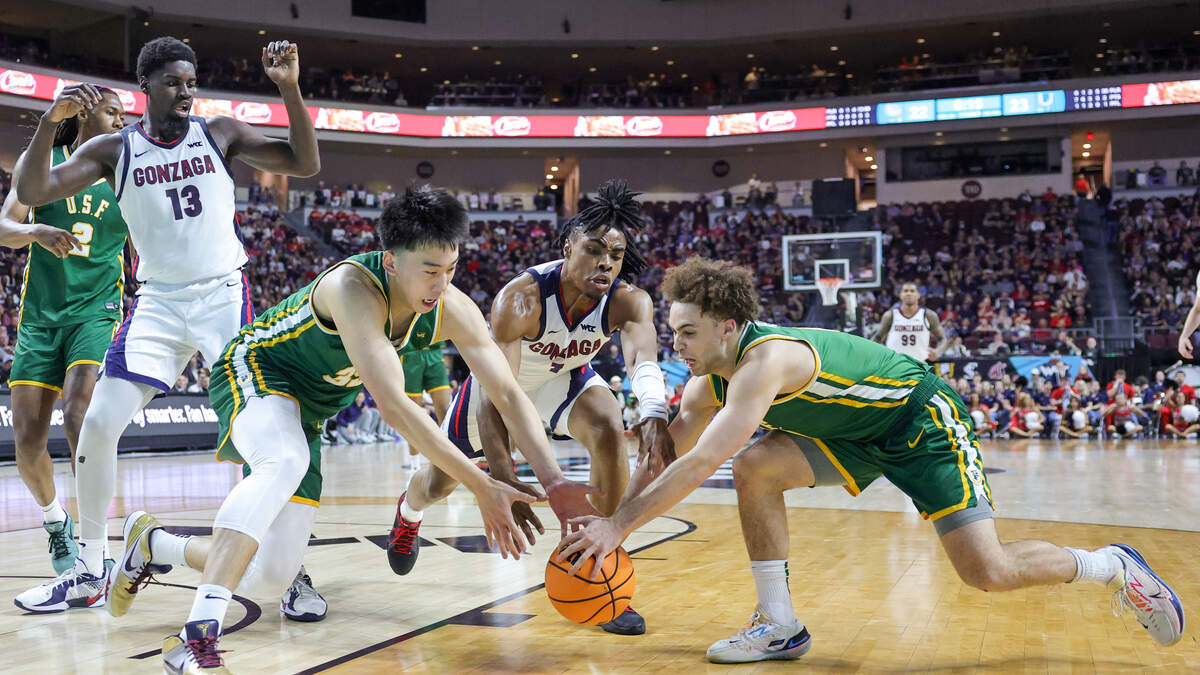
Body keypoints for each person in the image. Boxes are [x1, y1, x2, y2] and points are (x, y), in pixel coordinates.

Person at [559, 256, 1185, 663]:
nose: (677, 345)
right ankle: (778, 623)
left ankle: (1109, 565)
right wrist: (614, 522)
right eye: (672, 332)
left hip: (919, 420)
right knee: (756, 467)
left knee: (987, 573)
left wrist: (620, 527)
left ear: (726, 326)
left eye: (687, 333)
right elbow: (667, 456)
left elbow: (698, 468)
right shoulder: (704, 383)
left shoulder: (764, 362)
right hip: (849, 434)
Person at [105, 186, 598, 672]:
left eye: (450, 269)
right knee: (285, 460)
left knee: (272, 576)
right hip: (256, 370)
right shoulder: (352, 289)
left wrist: (555, 483)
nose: (441, 284)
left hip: (308, 413)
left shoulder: (452, 308)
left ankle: (153, 543)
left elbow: (509, 394)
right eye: (429, 271)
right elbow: (397, 408)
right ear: (390, 261)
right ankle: (193, 640)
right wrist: (480, 484)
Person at [13, 37, 320, 616]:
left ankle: (292, 569)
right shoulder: (113, 149)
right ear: (147, 86)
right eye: (175, 82)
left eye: (192, 80)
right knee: (98, 423)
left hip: (222, 298)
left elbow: (304, 163)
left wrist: (288, 88)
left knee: (261, 437)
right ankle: (89, 567)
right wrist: (48, 124)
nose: (187, 92)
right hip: (156, 304)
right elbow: (33, 191)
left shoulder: (220, 132)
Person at [393, 180, 673, 636]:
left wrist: (655, 412)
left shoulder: (628, 301)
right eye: (594, 249)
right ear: (567, 247)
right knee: (439, 482)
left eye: (616, 255)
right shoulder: (520, 298)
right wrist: (502, 474)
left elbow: (642, 358)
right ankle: (409, 511)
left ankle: (600, 562)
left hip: (562, 379)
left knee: (608, 424)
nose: (606, 262)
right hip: (500, 389)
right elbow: (496, 391)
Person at [0, 87, 127, 578]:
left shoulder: (125, 171)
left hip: (97, 310)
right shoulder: (45, 163)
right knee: (27, 440)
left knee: (80, 412)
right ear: (85, 113)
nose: (122, 120)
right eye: (113, 111)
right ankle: (57, 521)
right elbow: (4, 226)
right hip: (40, 318)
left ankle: (96, 542)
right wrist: (34, 232)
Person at [875, 282, 948, 362]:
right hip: (894, 365)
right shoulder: (890, 315)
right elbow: (877, 338)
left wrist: (937, 351)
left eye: (912, 291)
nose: (909, 293)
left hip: (919, 365)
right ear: (900, 295)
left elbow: (943, 339)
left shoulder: (929, 315)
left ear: (918, 295)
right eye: (905, 291)